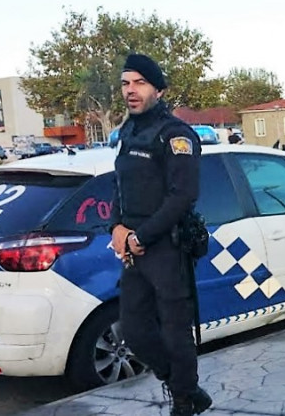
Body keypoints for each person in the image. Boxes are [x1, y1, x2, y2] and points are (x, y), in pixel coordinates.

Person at [109, 53, 212, 416]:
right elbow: (119, 185)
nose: (130, 91)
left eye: (139, 83)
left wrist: (141, 236)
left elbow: (182, 196)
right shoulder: (129, 131)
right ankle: (184, 385)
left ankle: (184, 401)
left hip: (165, 247)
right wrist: (117, 227)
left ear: (158, 88)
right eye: (125, 83)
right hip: (134, 248)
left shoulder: (176, 134)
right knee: (134, 331)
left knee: (174, 331)